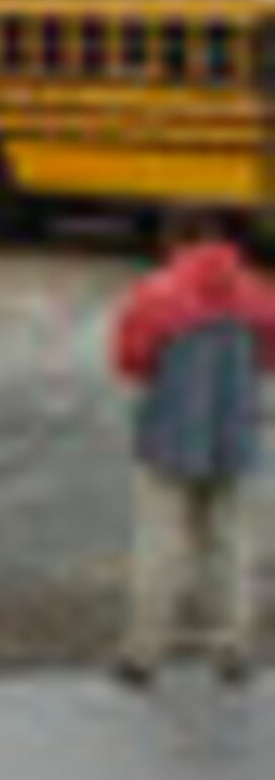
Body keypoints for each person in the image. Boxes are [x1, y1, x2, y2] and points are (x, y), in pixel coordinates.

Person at [107, 213, 275, 684]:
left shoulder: (156, 293)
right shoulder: (258, 292)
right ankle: (234, 647)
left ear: (177, 239)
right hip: (236, 431)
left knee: (159, 542)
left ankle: (143, 651)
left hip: (170, 433)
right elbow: (270, 355)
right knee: (232, 542)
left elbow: (131, 360)